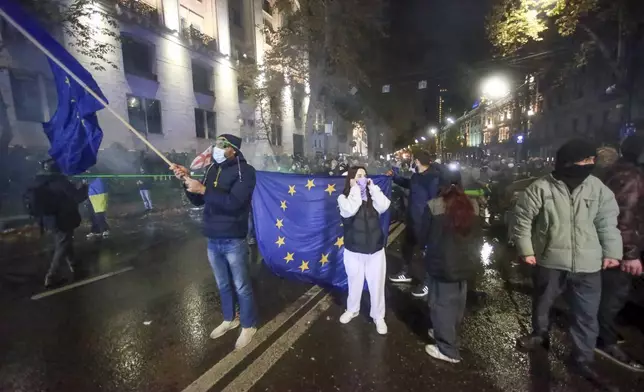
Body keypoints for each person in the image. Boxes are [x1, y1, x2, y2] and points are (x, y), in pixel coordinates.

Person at [513, 139, 622, 388]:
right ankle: (540, 334)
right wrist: (526, 250)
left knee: (586, 315)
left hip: (589, 263)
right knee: (543, 302)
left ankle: (582, 358)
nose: (590, 165)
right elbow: (522, 221)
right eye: (585, 161)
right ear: (567, 162)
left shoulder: (598, 189)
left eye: (591, 161)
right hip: (551, 259)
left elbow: (608, 224)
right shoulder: (541, 187)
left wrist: (612, 252)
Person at [171, 134, 258, 350]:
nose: (215, 148)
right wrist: (187, 181)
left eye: (221, 145)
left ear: (233, 150)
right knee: (222, 283)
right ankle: (230, 318)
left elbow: (234, 203)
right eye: (215, 144)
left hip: (233, 238)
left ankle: (249, 325)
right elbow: (199, 200)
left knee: (241, 285)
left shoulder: (245, 172)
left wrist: (203, 190)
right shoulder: (212, 169)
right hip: (212, 237)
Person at [420, 169, 480, 363]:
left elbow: (424, 235)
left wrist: (424, 251)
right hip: (466, 262)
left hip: (442, 264)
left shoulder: (434, 206)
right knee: (457, 302)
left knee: (440, 304)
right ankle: (446, 331)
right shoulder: (473, 205)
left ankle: (447, 349)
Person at [596, 135, 644, 372]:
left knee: (610, 292)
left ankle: (603, 331)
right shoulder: (630, 177)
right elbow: (623, 215)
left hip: (615, 245)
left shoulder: (621, 172)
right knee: (614, 294)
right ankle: (604, 341)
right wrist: (630, 253)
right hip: (620, 247)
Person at [337, 166, 391, 335]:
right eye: (358, 176)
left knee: (377, 285)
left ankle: (378, 316)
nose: (362, 178)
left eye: (364, 175)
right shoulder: (343, 198)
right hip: (354, 250)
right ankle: (352, 309)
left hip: (375, 250)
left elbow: (384, 205)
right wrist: (355, 189)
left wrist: (373, 188)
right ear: (351, 178)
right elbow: (349, 210)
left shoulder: (372, 197)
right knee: (355, 283)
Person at [26, 159, 88, 288]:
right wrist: (84, 186)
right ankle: (51, 277)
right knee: (62, 246)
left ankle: (75, 266)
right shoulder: (61, 182)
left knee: (65, 242)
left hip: (49, 219)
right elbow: (78, 197)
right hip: (63, 219)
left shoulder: (40, 181)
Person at [386, 150, 440, 298]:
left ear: (417, 161)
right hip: (412, 220)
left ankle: (428, 283)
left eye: (414, 160)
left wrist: (432, 222)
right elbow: (409, 184)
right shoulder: (417, 176)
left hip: (424, 222)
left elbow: (435, 202)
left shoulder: (433, 178)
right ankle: (406, 273)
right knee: (407, 248)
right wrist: (394, 177)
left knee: (426, 253)